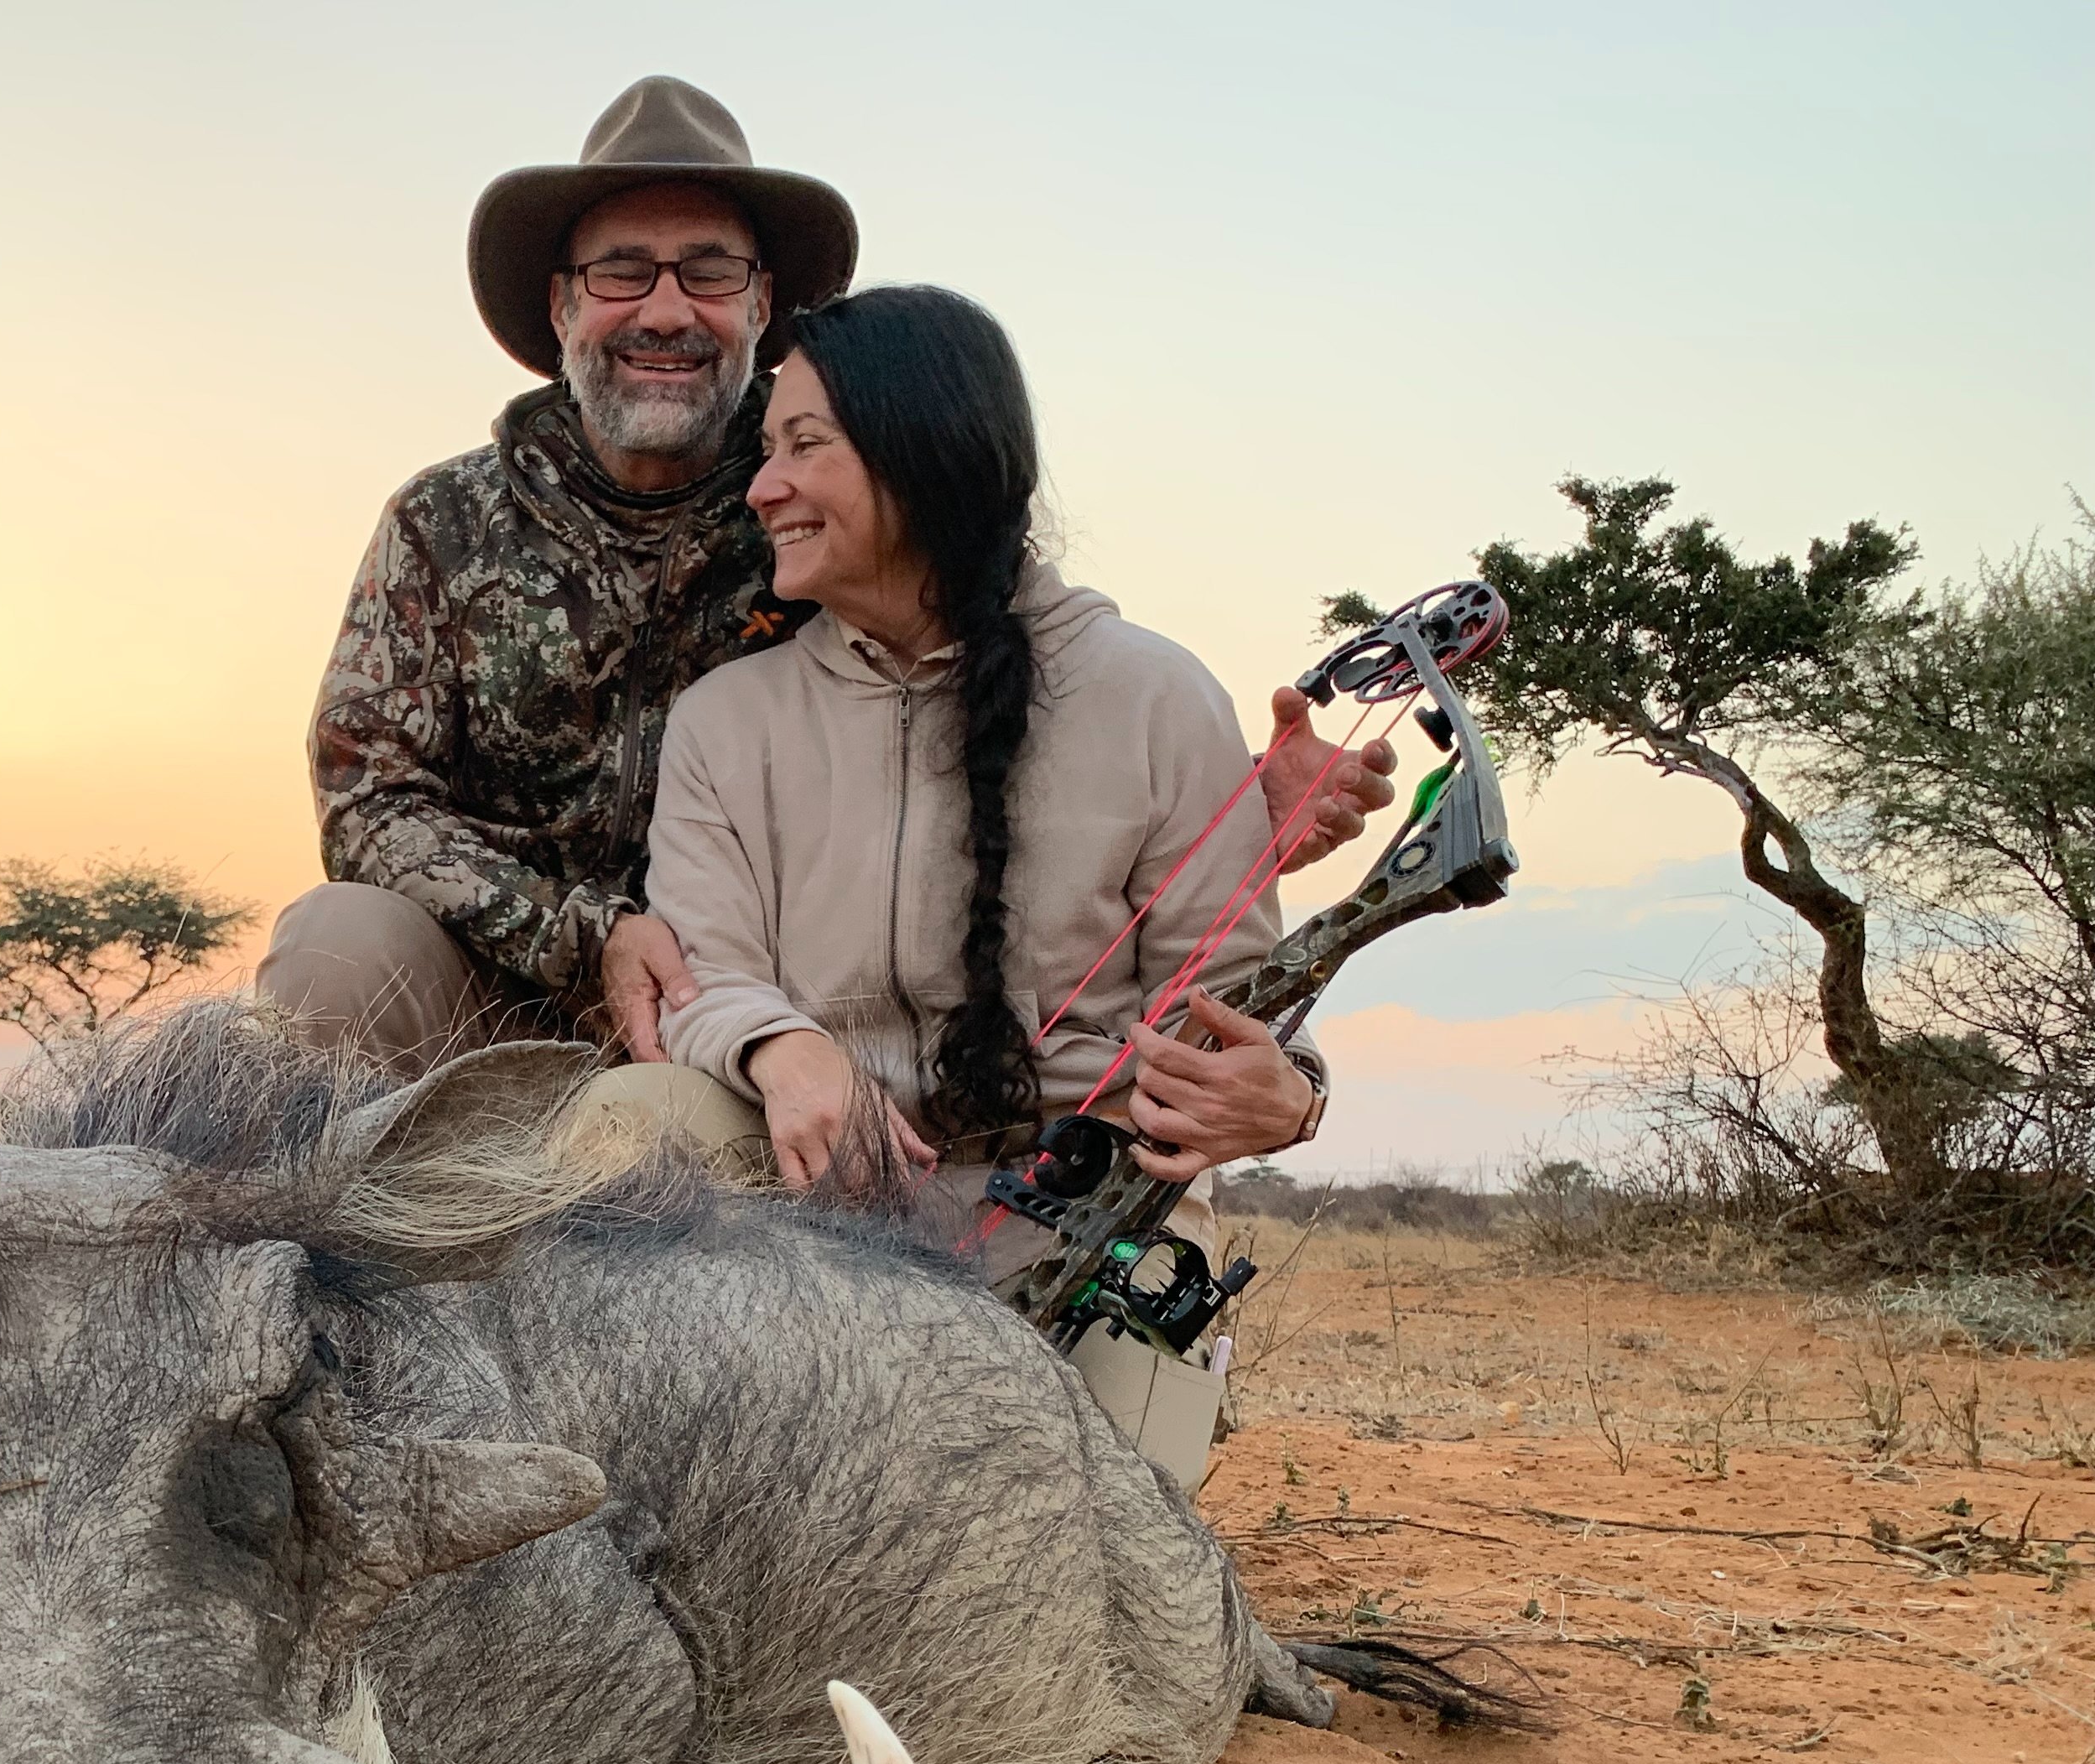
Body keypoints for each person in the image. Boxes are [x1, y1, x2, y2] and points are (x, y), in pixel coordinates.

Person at [257, 75, 1396, 1075]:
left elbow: (988, 648)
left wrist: (1218, 811)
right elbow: (369, 804)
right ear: (561, 307)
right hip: (500, 986)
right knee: (335, 945)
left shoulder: (844, 491)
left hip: (755, 1002)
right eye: (620, 272)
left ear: (761, 307)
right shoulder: (440, 522)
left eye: (708, 273)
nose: (665, 310)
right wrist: (583, 932)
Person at [587, 284, 1325, 1231]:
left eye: (805, 447)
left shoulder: (1159, 697)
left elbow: (1229, 1013)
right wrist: (780, 1047)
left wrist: (1295, 1093)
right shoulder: (725, 720)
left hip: (1080, 1215)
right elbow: (704, 977)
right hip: (816, 1198)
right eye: (766, 452)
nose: (763, 489)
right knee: (632, 1116)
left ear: (925, 455)